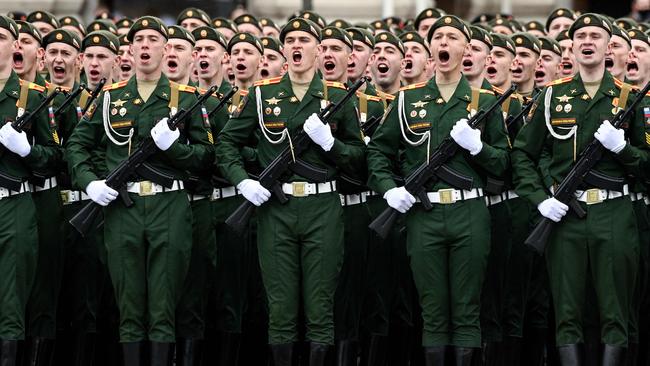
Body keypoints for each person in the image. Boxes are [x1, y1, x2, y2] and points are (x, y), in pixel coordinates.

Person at [215, 17, 365, 366]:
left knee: (319, 305)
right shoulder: (262, 94)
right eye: (291, 40)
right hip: (276, 210)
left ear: (319, 49)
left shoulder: (338, 96)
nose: (297, 46)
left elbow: (359, 158)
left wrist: (331, 145)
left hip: (322, 207)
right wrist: (243, 181)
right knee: (280, 307)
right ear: (282, 50)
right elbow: (226, 143)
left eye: (305, 40)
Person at [65, 16, 213, 366]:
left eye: (153, 39)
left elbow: (207, 157)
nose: (145, 45)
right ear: (129, 50)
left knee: (163, 307)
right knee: (129, 306)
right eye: (139, 40)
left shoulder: (187, 98)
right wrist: (90, 182)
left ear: (167, 49)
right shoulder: (110, 98)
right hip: (123, 209)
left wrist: (175, 147)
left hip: (169, 205)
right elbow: (76, 146)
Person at [367, 15, 509, 365]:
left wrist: (478, 148)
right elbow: (378, 153)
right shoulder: (407, 100)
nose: (444, 42)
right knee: (432, 311)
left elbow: (505, 164)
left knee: (466, 309)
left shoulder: (485, 101)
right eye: (438, 37)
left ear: (466, 49)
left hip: (469, 214)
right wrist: (389, 190)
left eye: (452, 37)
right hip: (423, 214)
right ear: (432, 50)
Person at [512, 13, 647, 365]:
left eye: (595, 36)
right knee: (567, 312)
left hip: (613, 213)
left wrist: (623, 149)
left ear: (608, 47)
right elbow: (524, 156)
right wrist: (541, 200)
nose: (587, 41)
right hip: (564, 216)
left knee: (614, 312)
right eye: (580, 35)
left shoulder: (629, 99)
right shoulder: (552, 96)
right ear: (571, 46)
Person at [0, 15, 60, 366]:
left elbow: (55, 158)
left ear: (15, 45)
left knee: (11, 301)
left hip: (14, 204)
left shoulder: (33, 96)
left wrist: (27, 150)